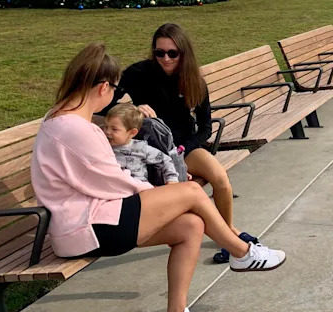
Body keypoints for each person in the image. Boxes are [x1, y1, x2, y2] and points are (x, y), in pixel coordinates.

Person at [32, 43, 286, 312]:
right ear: (103, 87)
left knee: (191, 226)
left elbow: (104, 179)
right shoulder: (75, 128)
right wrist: (165, 193)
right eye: (115, 89)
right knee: (190, 191)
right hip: (86, 227)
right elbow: (113, 181)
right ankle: (241, 252)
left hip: (93, 219)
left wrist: (166, 195)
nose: (116, 95)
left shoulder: (63, 118)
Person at [107, 23, 249, 264]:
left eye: (172, 53)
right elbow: (105, 104)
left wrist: (184, 150)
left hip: (183, 146)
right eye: (159, 52)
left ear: (183, 53)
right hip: (149, 149)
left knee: (220, 178)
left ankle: (228, 232)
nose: (165, 58)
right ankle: (220, 238)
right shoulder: (138, 73)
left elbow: (206, 127)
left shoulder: (193, 80)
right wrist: (132, 110)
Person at [104, 103, 180, 185]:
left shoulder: (141, 148)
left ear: (132, 133)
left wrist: (172, 179)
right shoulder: (102, 144)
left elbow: (165, 160)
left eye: (114, 129)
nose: (107, 132)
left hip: (140, 190)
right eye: (106, 127)